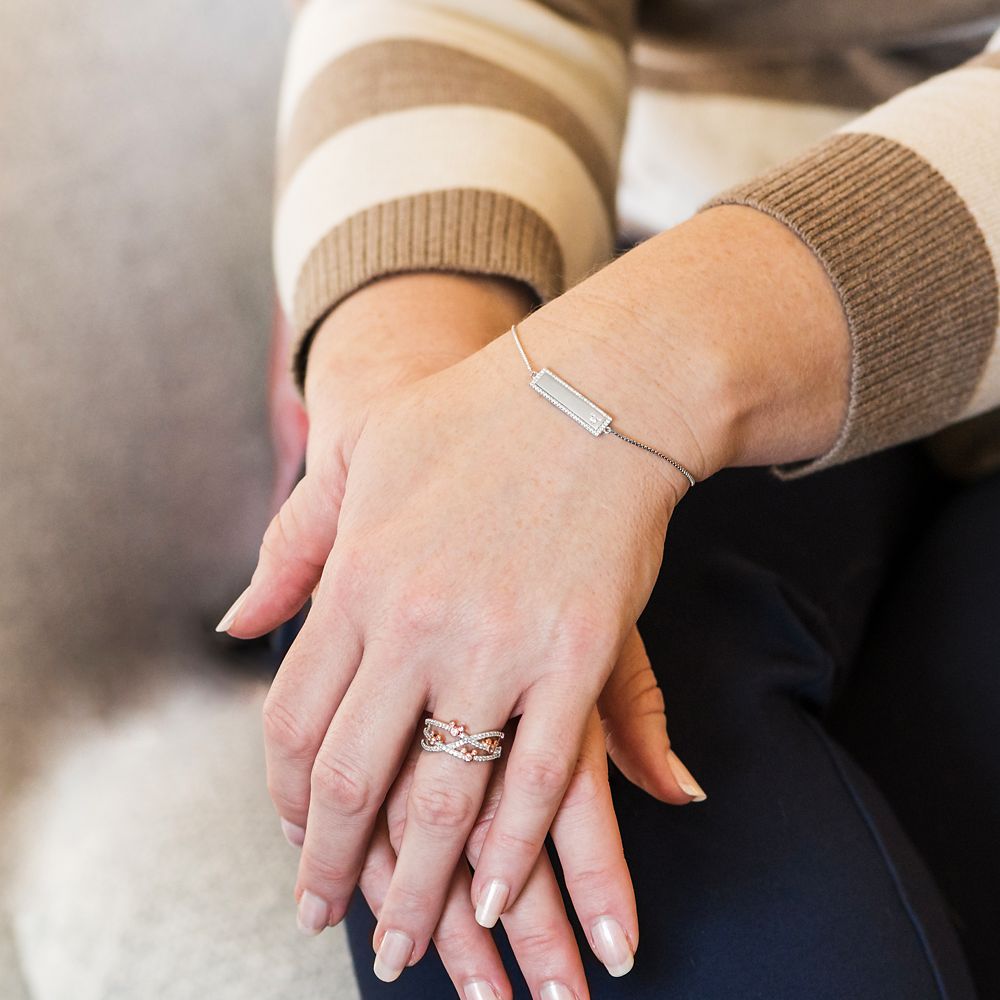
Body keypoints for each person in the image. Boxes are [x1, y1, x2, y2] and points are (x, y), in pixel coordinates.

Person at [219, 2, 1000, 997]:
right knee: (471, 698)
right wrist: (407, 386)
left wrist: (638, 373)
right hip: (620, 254)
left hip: (684, 328)